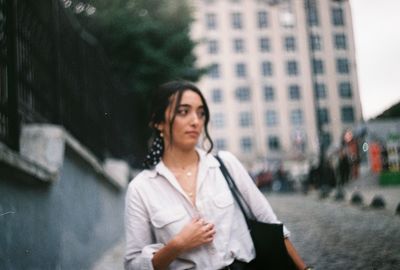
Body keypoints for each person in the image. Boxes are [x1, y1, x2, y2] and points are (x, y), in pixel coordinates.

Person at [124, 81, 310, 270]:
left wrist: (305, 269)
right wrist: (177, 245)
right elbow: (134, 265)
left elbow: (271, 224)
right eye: (183, 112)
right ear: (158, 122)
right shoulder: (141, 188)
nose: (195, 121)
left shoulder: (225, 164)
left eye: (201, 113)